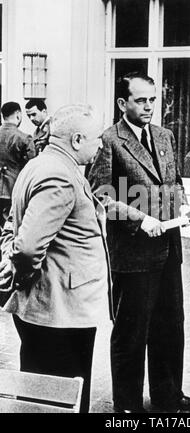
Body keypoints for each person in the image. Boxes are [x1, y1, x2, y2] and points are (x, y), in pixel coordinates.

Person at [88, 71, 190, 414]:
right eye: (141, 100)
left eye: (153, 99)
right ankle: (127, 404)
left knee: (170, 325)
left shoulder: (164, 135)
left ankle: (168, 394)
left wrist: (182, 205)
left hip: (169, 250)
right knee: (131, 331)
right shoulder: (109, 140)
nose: (149, 106)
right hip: (133, 254)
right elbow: (101, 196)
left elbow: (174, 180)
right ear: (123, 103)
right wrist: (141, 219)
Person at [0, 104, 108, 413]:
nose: (100, 144)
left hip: (51, 309)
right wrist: (22, 278)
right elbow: (28, 247)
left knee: (40, 394)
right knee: (60, 397)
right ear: (76, 139)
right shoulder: (59, 176)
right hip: (59, 311)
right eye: (96, 137)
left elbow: (13, 225)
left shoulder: (41, 164)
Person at [0, 102, 35, 230]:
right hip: (14, 189)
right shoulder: (24, 138)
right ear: (18, 115)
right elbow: (32, 166)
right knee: (10, 228)